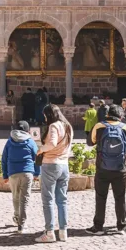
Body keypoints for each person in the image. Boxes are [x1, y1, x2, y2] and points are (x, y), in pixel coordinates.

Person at [86, 104, 126, 234]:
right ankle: (121, 226)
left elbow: (90, 142)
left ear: (108, 114)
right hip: (120, 168)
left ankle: (98, 227)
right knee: (120, 197)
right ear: (121, 115)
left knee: (100, 197)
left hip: (102, 167)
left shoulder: (99, 126)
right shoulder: (125, 128)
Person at [37, 104, 73, 243]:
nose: (45, 118)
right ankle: (63, 231)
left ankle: (50, 232)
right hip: (64, 165)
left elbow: (51, 143)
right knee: (62, 200)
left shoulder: (54, 126)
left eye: (45, 115)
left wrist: (41, 150)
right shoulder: (68, 126)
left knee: (48, 199)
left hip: (51, 164)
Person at [2, 120, 40, 234]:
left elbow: (4, 159)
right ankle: (21, 224)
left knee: (15, 196)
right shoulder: (30, 142)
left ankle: (17, 217)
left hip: (13, 172)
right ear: (28, 130)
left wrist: (5, 174)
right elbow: (37, 158)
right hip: (27, 172)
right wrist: (37, 173)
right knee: (25, 198)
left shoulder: (9, 141)